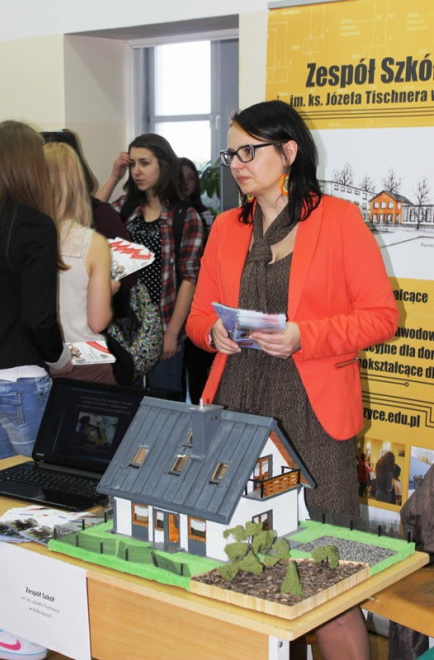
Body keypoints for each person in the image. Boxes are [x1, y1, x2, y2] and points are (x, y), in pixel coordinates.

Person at [186, 100, 399, 660]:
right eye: (231, 153)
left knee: (328, 577)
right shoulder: (227, 228)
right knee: (241, 567)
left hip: (314, 420)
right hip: (236, 412)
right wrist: (214, 333)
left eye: (248, 151)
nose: (236, 164)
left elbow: (381, 317)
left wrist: (306, 335)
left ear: (288, 152)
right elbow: (198, 318)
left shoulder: (339, 219)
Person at [97, 134, 204, 399]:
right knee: (124, 404)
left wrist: (172, 333)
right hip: (124, 326)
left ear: (164, 165)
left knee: (163, 404)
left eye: (144, 163)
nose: (136, 171)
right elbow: (91, 216)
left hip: (165, 322)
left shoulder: (185, 216)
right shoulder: (126, 208)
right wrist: (114, 176)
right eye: (132, 164)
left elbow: (189, 278)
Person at [0, 120, 72, 460]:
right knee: (41, 482)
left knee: (1, 486)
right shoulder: (34, 225)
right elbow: (38, 318)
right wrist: (60, 358)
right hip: (20, 378)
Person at [44, 141, 115, 383]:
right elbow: (97, 321)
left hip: (40, 359)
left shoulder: (22, 238)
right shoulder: (92, 243)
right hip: (86, 360)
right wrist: (109, 289)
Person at [178, 157, 215, 403]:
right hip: (178, 301)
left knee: (198, 364)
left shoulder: (206, 215)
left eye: (191, 178)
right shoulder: (171, 213)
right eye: (182, 178)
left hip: (201, 299)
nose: (186, 183)